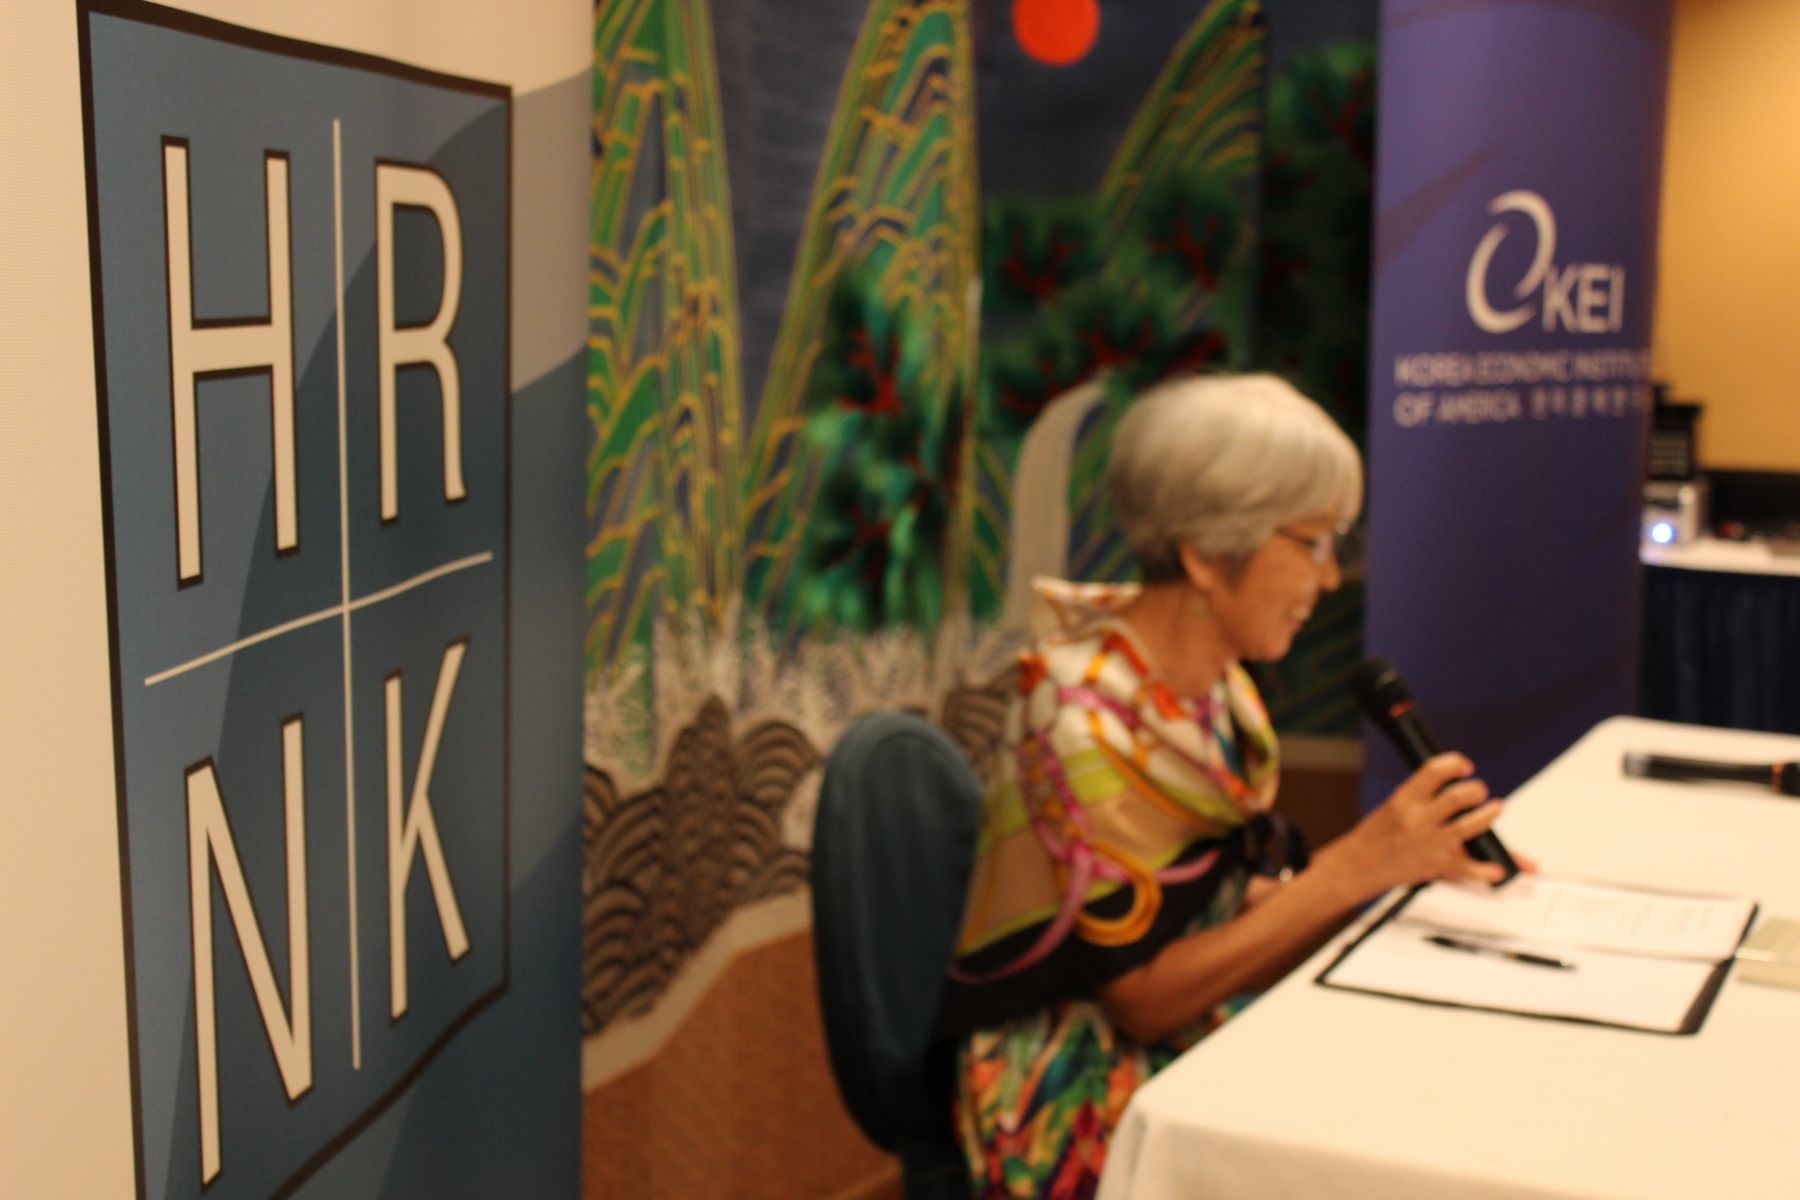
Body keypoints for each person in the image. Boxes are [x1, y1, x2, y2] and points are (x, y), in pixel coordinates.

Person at [936, 373, 1514, 1199]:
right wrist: (1356, 867)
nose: (1327, 579)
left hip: (1181, 1028)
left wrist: (1403, 864)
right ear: (1206, 553)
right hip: (1072, 1085)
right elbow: (1142, 1001)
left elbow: (1215, 906)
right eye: (1311, 545)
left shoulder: (1214, 688)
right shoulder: (1081, 720)